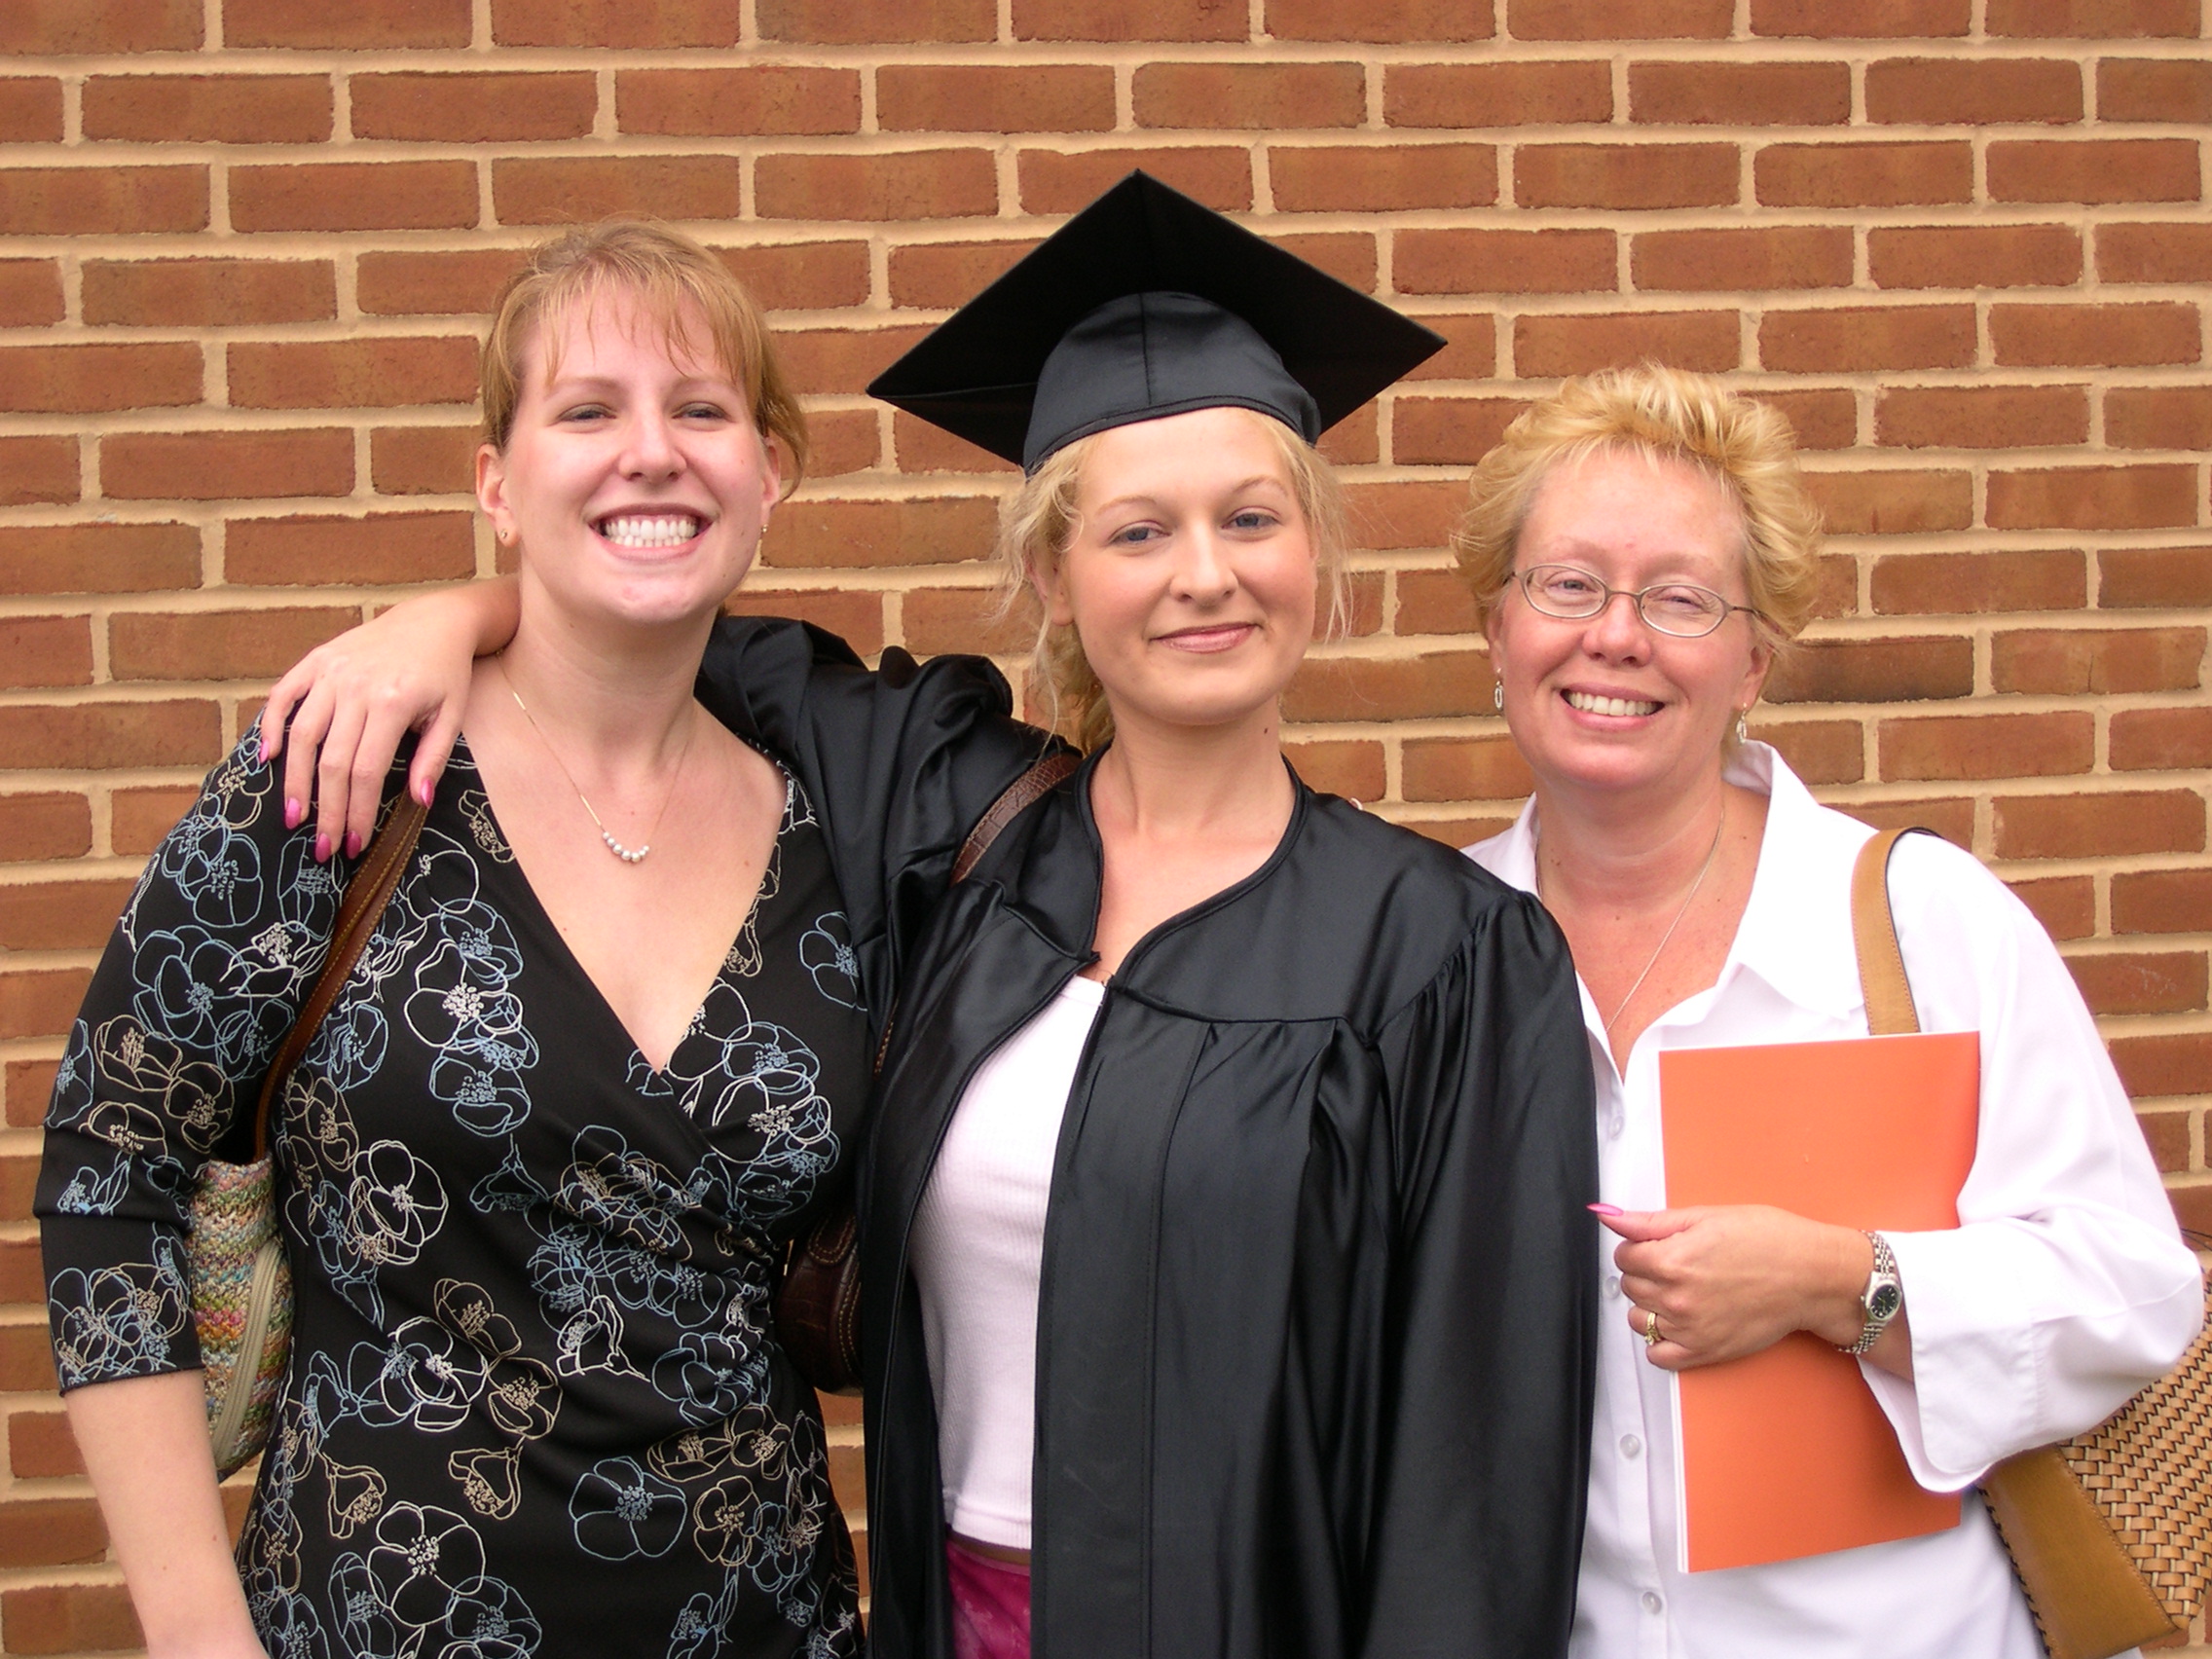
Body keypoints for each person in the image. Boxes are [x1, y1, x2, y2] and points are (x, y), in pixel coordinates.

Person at [239, 174, 1604, 1659]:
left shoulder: (1450, 954)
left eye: (1251, 517)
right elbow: (659, 620)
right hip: (949, 1623)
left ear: (1316, 551)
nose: (1203, 573)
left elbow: (1478, 1470)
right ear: (1050, 575)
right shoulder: (956, 826)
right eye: (1137, 531)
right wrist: (451, 616)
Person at [37, 222, 1049, 1659]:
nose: (652, 453)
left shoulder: (839, 823)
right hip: (370, 1621)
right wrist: (197, 1631)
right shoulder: (342, 774)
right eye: (588, 412)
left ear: (771, 474)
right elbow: (109, 1173)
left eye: (702, 411)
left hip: (763, 1624)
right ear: (498, 487)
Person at [1456, 363, 2203, 1659]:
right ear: (1496, 629)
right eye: (1567, 584)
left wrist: (1846, 1281)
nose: (1615, 635)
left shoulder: (1918, 923)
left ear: (1753, 659)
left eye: (1680, 599)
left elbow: (2133, 1295)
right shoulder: (1429, 954)